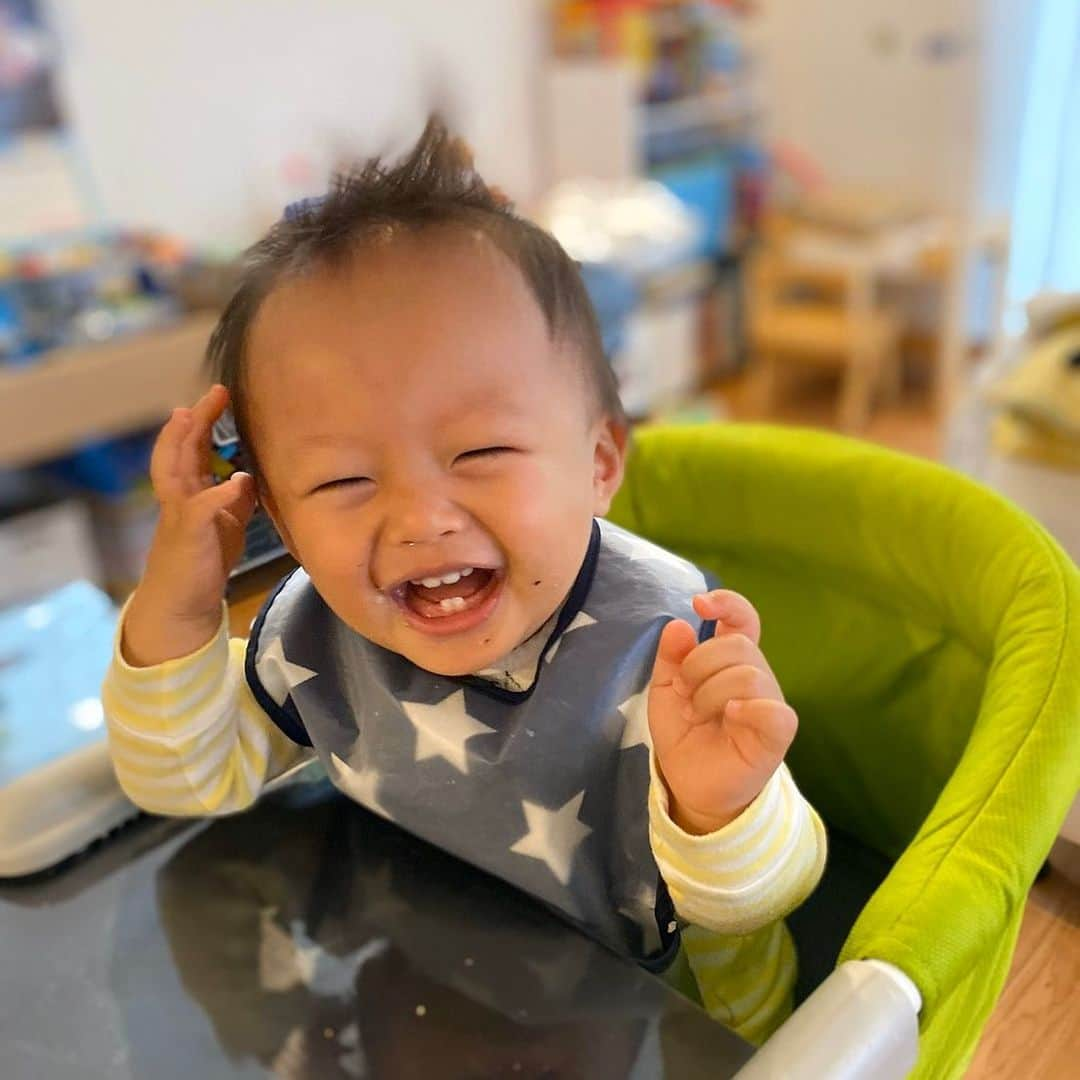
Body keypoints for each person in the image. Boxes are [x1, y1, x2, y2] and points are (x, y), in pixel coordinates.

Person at [103, 119, 825, 1044]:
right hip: (438, 975)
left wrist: (717, 808)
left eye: (480, 451)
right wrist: (182, 600)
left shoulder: (672, 644)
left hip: (668, 1013)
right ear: (278, 517)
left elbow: (763, 897)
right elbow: (187, 778)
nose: (418, 519)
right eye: (341, 481)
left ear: (599, 461)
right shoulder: (321, 630)